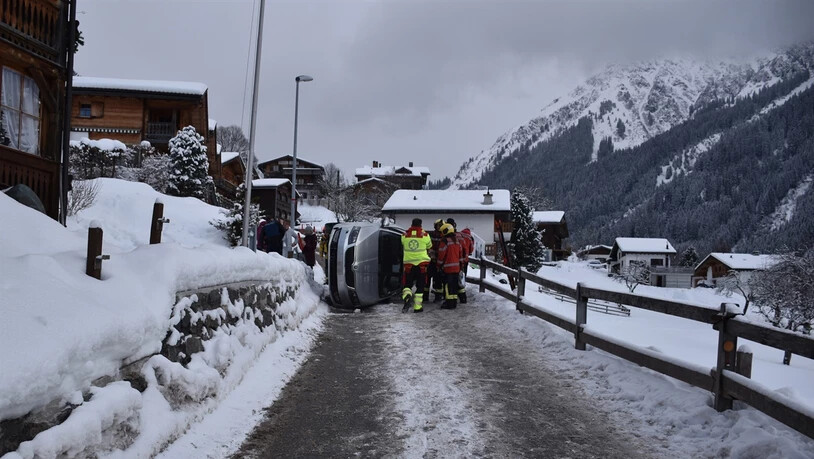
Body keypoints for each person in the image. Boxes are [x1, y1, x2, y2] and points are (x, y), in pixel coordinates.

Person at [401, 218, 432, 313]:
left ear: (412, 224)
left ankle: (407, 295)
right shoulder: (425, 235)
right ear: (420, 225)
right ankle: (417, 307)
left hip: (408, 264)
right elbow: (429, 246)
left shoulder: (404, 235)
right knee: (421, 285)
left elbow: (402, 244)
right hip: (421, 264)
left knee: (407, 283)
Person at [437, 222, 463, 309]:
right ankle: (453, 302)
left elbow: (441, 254)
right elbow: (460, 254)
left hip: (447, 268)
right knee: (454, 286)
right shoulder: (456, 240)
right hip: (456, 267)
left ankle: (449, 304)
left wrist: (439, 265)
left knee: (448, 286)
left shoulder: (445, 241)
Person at [427, 218, 444, 302]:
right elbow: (429, 246)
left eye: (441, 225)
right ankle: (425, 296)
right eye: (438, 225)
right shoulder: (432, 234)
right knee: (427, 277)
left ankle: (438, 297)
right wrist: (432, 256)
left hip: (440, 261)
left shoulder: (444, 235)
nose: (439, 227)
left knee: (438, 279)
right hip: (431, 260)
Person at [459, 228, 475, 303]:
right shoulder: (470, 238)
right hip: (465, 260)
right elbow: (471, 249)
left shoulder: (458, 235)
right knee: (462, 276)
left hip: (457, 259)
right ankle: (462, 293)